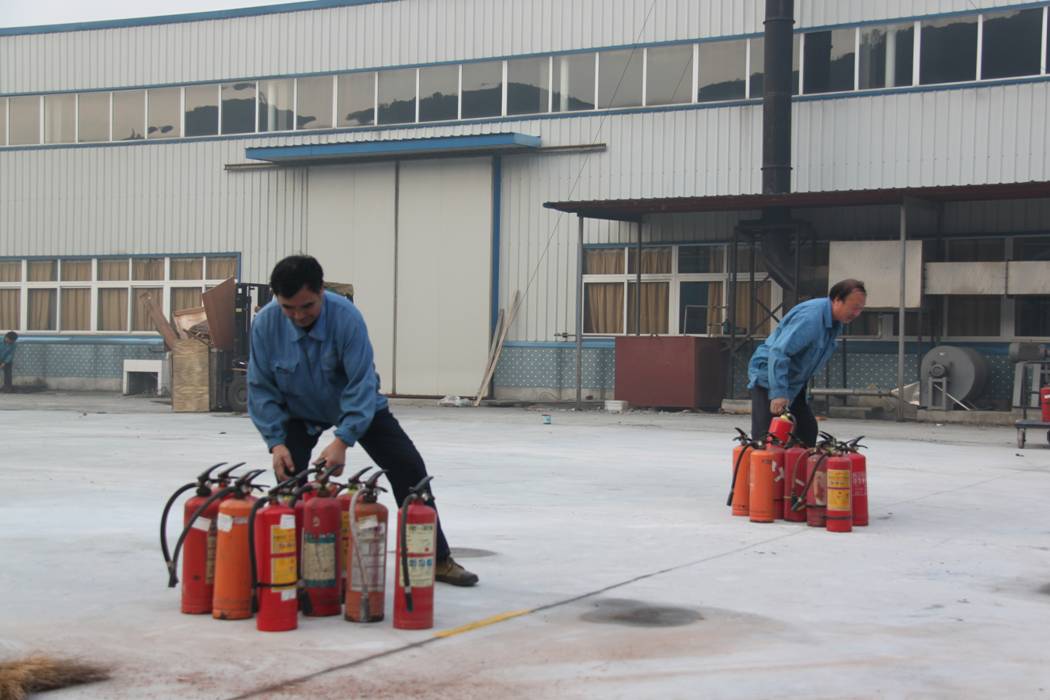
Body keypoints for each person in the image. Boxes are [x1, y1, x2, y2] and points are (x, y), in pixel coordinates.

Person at [248, 255, 479, 587]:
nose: (298, 316)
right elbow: (260, 387)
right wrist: (276, 443)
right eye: (289, 308)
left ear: (321, 291)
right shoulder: (265, 324)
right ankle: (294, 565)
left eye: (307, 306)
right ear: (277, 299)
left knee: (409, 468)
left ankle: (436, 559)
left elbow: (362, 383)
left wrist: (343, 440)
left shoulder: (347, 318)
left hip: (355, 405)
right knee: (288, 475)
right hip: (297, 410)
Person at [747, 279, 867, 446]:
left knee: (806, 430)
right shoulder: (810, 319)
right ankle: (763, 462)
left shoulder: (835, 322)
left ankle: (797, 462)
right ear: (837, 300)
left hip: (793, 381)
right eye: (854, 308)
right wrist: (779, 393)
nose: (856, 314)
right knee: (768, 437)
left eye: (860, 309)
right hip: (771, 377)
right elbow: (779, 352)